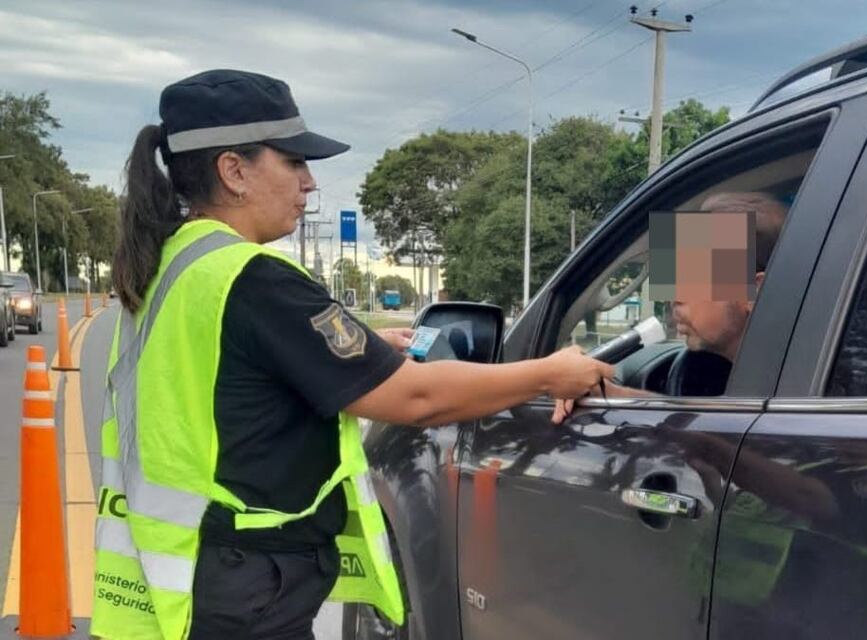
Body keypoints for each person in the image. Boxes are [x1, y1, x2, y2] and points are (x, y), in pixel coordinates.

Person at [91, 69, 613, 640]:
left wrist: (348, 354)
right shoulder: (253, 278)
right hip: (243, 588)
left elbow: (226, 384)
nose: (309, 182)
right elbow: (417, 398)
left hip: (190, 571)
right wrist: (550, 374)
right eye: (293, 162)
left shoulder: (174, 264)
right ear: (234, 171)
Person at [552, 191, 788, 423]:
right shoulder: (789, 372)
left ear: (755, 291)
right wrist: (612, 395)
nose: (675, 295)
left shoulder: (794, 389)